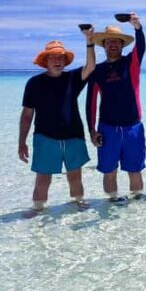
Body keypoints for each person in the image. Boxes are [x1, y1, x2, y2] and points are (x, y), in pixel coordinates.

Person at [19, 34, 96, 214]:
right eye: (52, 57)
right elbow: (27, 115)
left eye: (60, 57)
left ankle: (78, 203)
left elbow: (91, 66)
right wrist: (21, 142)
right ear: (45, 61)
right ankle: (38, 208)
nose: (57, 60)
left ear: (65, 61)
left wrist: (90, 41)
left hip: (73, 136)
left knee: (75, 176)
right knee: (43, 178)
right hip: (45, 137)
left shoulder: (73, 78)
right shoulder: (34, 83)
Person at [86, 15, 146, 201]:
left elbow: (141, 47)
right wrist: (92, 130)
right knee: (109, 171)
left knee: (134, 170)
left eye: (117, 41)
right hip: (107, 128)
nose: (113, 44)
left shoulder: (130, 63)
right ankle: (112, 203)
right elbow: (91, 102)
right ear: (104, 45)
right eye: (109, 41)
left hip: (132, 127)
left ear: (122, 45)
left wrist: (138, 28)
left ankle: (137, 205)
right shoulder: (97, 70)